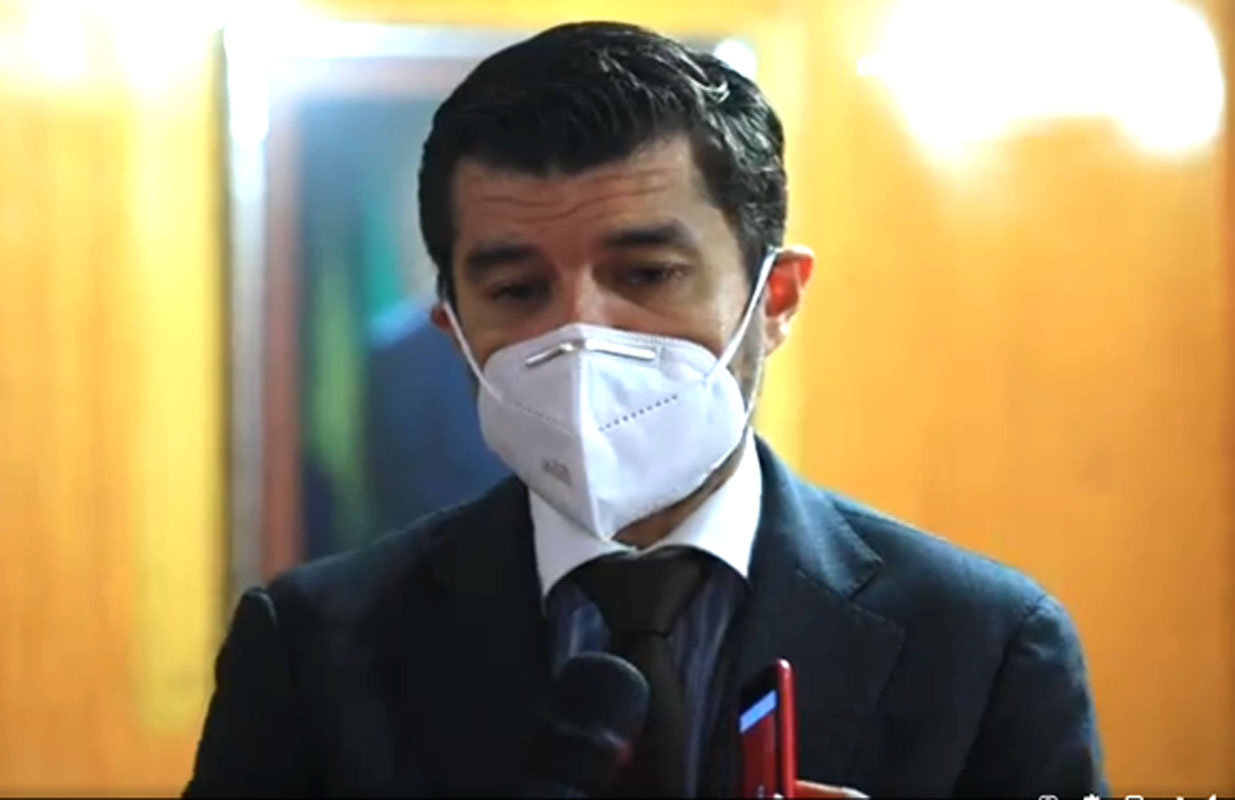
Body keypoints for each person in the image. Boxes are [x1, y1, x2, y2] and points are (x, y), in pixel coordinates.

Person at [185, 21, 1106, 798]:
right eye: (515, 289)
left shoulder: (982, 646)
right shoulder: (313, 647)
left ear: (775, 298)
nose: (580, 333)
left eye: (647, 274)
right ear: (452, 330)